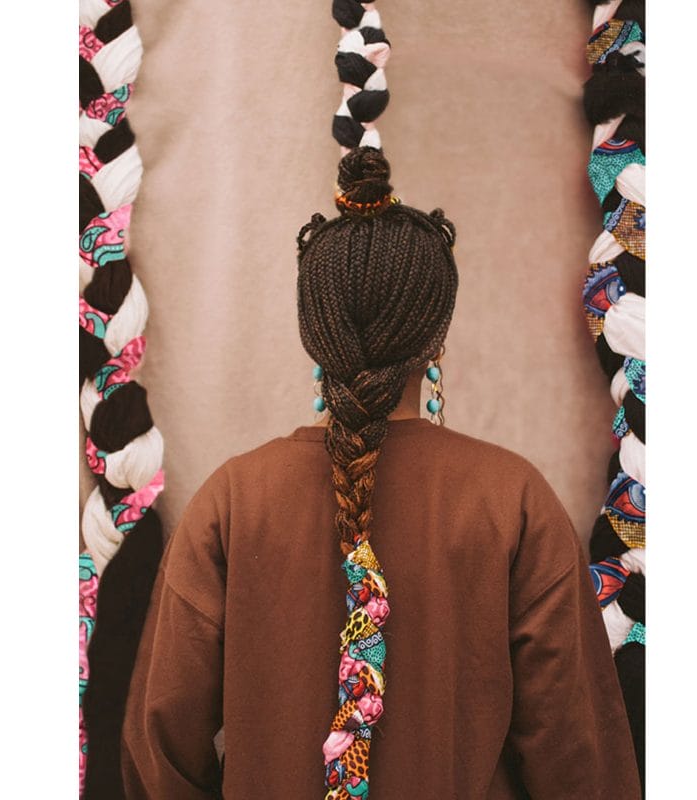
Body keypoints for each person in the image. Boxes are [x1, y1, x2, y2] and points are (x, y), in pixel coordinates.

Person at [120, 147, 640, 799]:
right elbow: (578, 758)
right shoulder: (512, 500)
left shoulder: (232, 501)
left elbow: (160, 749)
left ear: (314, 336)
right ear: (436, 339)